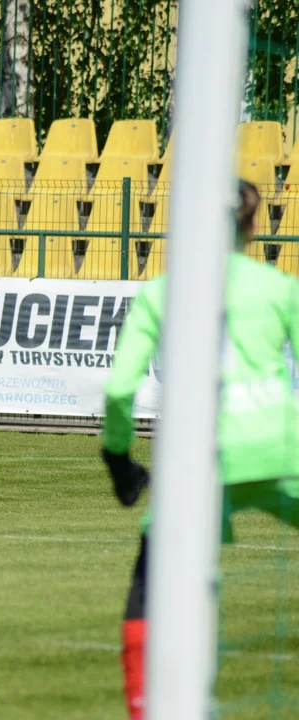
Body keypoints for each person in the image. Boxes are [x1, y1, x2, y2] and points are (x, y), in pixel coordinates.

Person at [100, 180, 299, 719]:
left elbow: (120, 387)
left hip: (202, 456)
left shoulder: (162, 292)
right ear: (253, 228)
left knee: (151, 578)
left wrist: (118, 460)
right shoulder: (280, 288)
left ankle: (145, 708)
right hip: (280, 449)